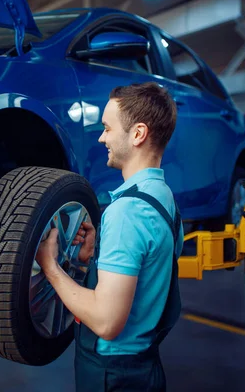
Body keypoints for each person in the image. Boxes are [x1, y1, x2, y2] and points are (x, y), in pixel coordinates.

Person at [35, 81, 184, 392]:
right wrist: (95, 258)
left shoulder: (127, 212)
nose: (102, 137)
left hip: (113, 377)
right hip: (145, 366)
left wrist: (50, 267)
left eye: (107, 128)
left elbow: (106, 321)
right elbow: (146, 279)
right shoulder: (164, 199)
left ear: (138, 134)